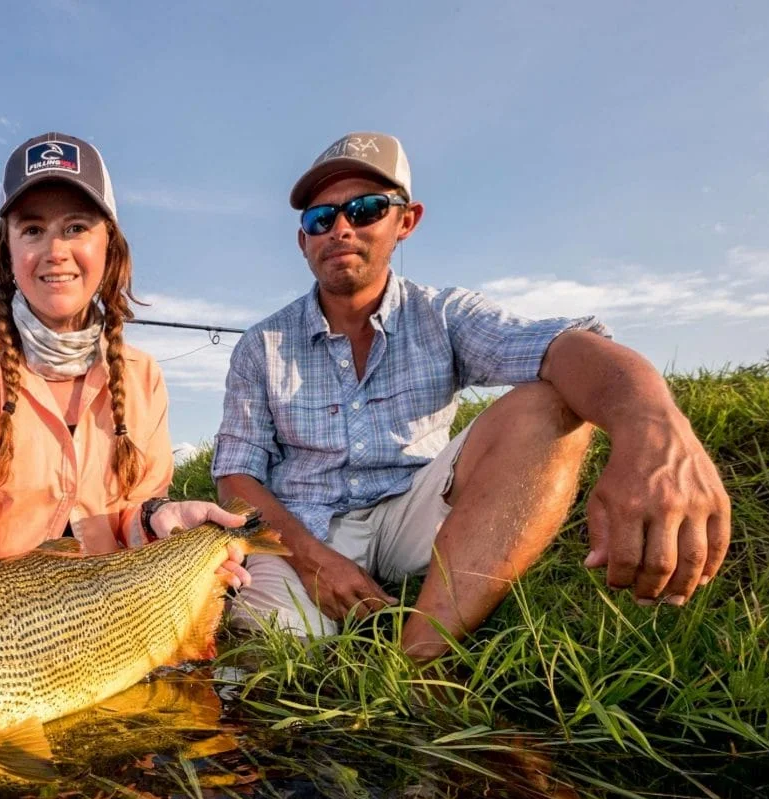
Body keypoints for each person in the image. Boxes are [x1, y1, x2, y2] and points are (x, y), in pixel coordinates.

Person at [214, 132, 730, 661]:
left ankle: (418, 661)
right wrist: (310, 558)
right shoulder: (262, 345)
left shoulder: (444, 313)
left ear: (405, 221)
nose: (341, 229)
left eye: (365, 209)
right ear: (303, 241)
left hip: (416, 509)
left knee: (545, 405)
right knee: (268, 660)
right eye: (320, 219)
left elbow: (564, 349)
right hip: (305, 523)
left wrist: (654, 432)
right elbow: (235, 473)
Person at [0, 132, 248, 585]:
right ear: (8, 251)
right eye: (32, 230)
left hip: (114, 612)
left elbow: (130, 518)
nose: (55, 251)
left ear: (110, 245)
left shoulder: (143, 378)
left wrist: (158, 518)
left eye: (76, 227)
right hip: (0, 625)